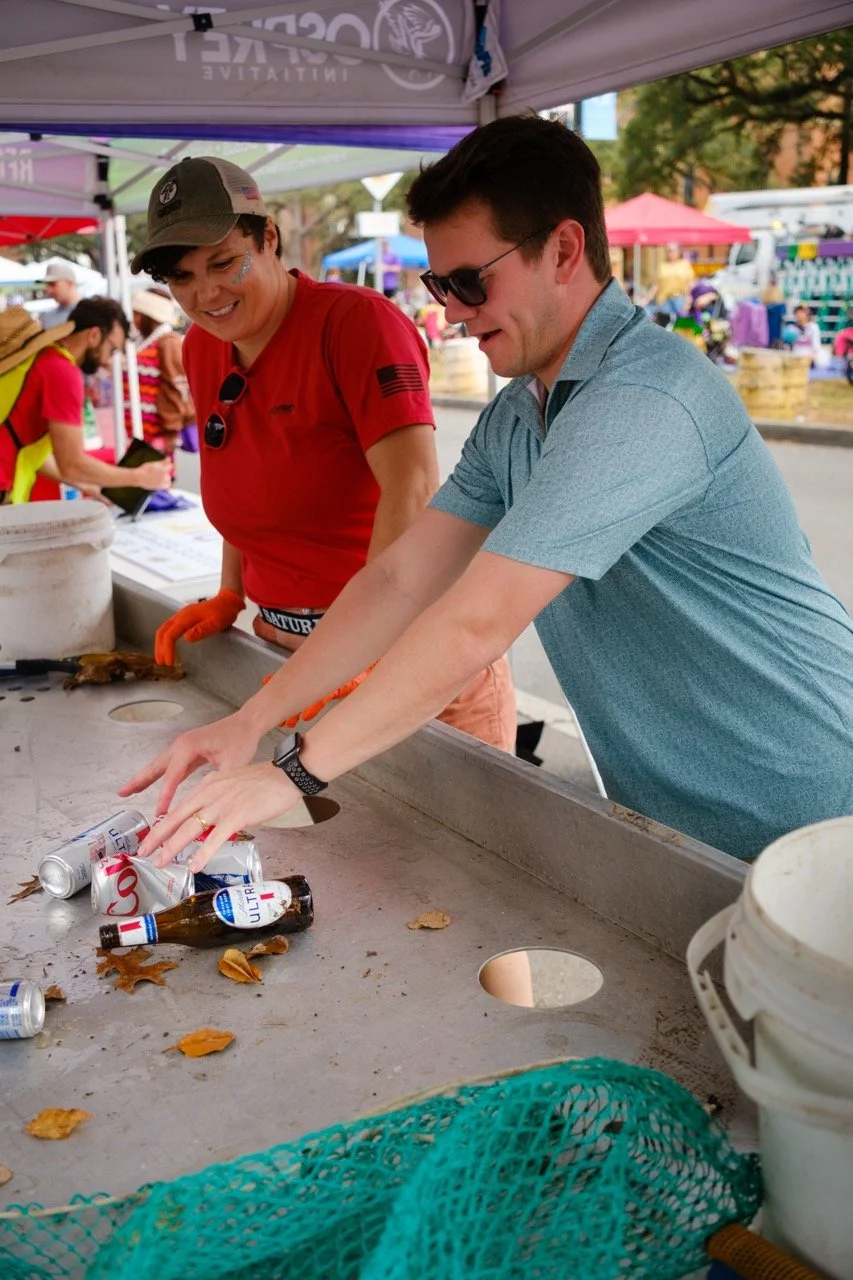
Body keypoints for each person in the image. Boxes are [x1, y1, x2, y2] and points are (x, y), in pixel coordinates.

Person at [122, 116, 853, 869]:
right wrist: (253, 718)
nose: (449, 309)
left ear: (563, 250)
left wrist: (291, 771)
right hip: (669, 806)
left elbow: (476, 622)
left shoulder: (644, 397)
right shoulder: (518, 413)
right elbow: (401, 577)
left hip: (802, 796)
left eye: (468, 282)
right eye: (439, 284)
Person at [126, 155, 515, 751]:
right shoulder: (203, 347)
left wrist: (368, 643)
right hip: (287, 655)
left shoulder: (356, 325)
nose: (206, 293)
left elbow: (410, 490)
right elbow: (240, 469)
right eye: (181, 278)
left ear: (270, 238)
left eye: (225, 262)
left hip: (404, 660)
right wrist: (231, 590)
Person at [0, 298, 172, 503]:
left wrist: (91, 486)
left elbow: (31, 450)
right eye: (111, 349)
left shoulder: (44, 357)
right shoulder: (63, 371)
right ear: (94, 335)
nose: (107, 361)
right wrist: (138, 477)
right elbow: (72, 464)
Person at [125, 289, 194, 470]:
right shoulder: (146, 341)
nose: (134, 320)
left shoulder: (168, 342)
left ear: (147, 315)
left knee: (155, 485)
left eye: (137, 314)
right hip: (142, 433)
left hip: (158, 435)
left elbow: (177, 386)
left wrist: (171, 432)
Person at [649, 243, 694, 317]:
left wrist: (688, 299)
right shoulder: (662, 265)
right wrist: (647, 299)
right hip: (664, 300)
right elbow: (656, 285)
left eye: (673, 250)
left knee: (680, 325)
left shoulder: (684, 264)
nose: (670, 253)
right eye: (668, 251)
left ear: (678, 251)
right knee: (665, 325)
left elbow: (690, 283)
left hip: (680, 299)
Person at [38, 261, 81, 329]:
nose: (48, 290)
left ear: (69, 283)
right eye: (47, 285)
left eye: (53, 284)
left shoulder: (92, 313)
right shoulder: (46, 318)